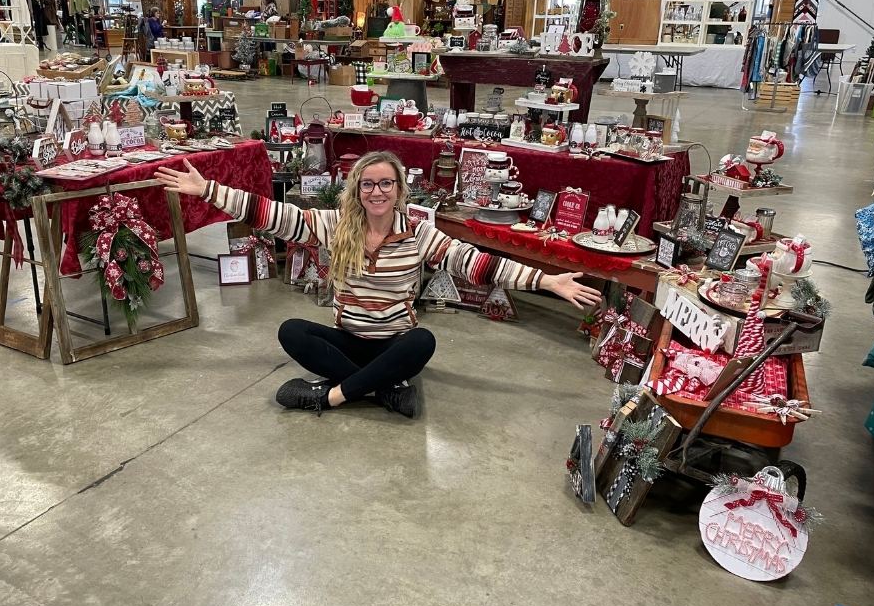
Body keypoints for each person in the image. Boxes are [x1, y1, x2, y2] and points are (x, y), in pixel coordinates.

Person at [154, 152, 601, 418]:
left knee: (422, 341)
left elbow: (474, 263)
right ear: (357, 190)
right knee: (291, 330)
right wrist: (210, 189)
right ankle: (380, 391)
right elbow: (275, 215)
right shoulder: (335, 225)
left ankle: (329, 396)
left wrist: (546, 280)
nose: (377, 192)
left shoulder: (420, 233)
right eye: (368, 185)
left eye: (386, 183)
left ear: (399, 188)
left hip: (394, 345)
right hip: (349, 341)